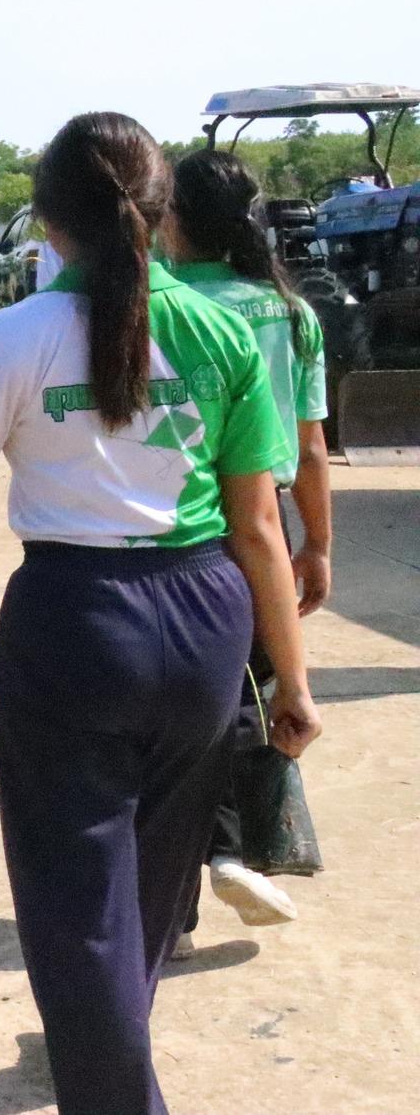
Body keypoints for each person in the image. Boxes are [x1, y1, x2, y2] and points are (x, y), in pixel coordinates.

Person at [0, 112, 322, 1114]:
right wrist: (290, 678)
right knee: (151, 896)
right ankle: (112, 1058)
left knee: (76, 906)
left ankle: (115, 1086)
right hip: (202, 625)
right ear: (160, 213)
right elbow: (259, 526)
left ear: (47, 221)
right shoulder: (222, 333)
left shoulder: (13, 337)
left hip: (71, 622)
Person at [166, 149, 333, 945]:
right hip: (268, 525)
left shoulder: (162, 306)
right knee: (258, 694)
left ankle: (184, 895)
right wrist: (318, 545)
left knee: (189, 707)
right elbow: (312, 448)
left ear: (170, 220)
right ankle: (242, 847)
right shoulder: (291, 315)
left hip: (182, 520)